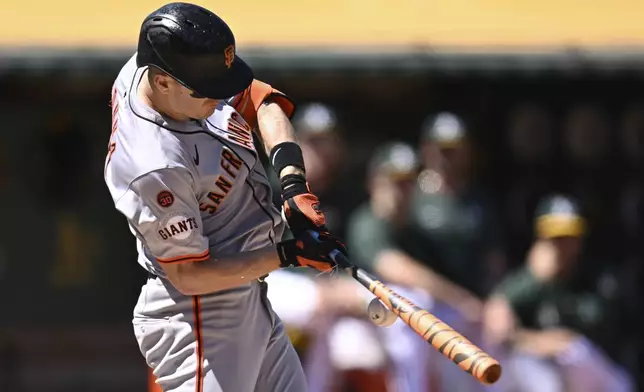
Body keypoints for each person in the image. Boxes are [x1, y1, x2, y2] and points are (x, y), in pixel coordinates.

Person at [103, 3, 348, 392]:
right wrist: (288, 253)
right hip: (199, 316)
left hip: (249, 292)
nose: (218, 99)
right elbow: (189, 276)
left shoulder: (158, 66)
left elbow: (261, 101)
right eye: (206, 93)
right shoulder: (153, 168)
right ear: (163, 82)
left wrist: (294, 186)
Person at [347, 141, 482, 392]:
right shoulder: (367, 220)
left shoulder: (413, 230)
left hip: (391, 323)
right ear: (375, 182)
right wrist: (457, 297)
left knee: (472, 323)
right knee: (411, 305)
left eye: (408, 181)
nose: (402, 189)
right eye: (394, 180)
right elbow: (394, 268)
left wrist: (468, 306)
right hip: (356, 321)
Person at [483, 194, 635, 392]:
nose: (561, 246)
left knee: (576, 355)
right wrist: (536, 280)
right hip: (547, 372)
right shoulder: (530, 280)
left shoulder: (599, 280)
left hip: (599, 380)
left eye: (568, 237)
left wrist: (527, 338)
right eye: (554, 237)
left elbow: (572, 343)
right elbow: (497, 323)